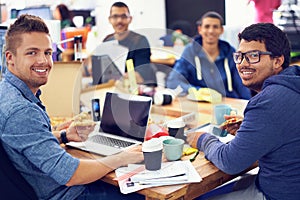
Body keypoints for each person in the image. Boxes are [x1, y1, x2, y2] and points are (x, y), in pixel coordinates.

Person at [0, 14, 144, 200]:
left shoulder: (8, 92)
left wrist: (64, 135)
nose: (43, 61)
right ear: (10, 58)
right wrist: (123, 157)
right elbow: (71, 174)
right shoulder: (21, 111)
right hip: (68, 194)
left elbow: (27, 141)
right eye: (32, 52)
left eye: (47, 52)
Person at [187, 23, 300, 200]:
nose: (242, 64)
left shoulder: (268, 101)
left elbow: (229, 162)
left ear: (277, 61)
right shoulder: (293, 84)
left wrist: (201, 138)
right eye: (239, 56)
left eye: (254, 56)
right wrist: (250, 129)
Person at [166, 11, 251, 100]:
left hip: (226, 104)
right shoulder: (190, 51)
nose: (211, 31)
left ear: (221, 30)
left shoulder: (230, 52)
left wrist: (249, 104)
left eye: (215, 27)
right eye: (207, 26)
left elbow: (242, 85)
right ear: (200, 29)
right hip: (199, 104)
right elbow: (173, 81)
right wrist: (197, 91)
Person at [103, 1, 157, 86]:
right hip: (112, 90)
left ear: (130, 19)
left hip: (138, 91)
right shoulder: (106, 41)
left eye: (124, 16)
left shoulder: (140, 41)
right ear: (110, 20)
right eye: (115, 16)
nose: (119, 20)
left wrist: (111, 78)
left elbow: (140, 77)